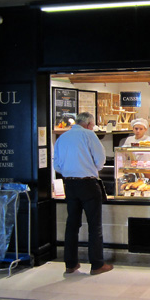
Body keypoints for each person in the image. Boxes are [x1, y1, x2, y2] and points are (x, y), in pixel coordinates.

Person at [53, 112, 113, 276]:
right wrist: (91, 167)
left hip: (70, 184)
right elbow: (100, 160)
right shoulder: (89, 135)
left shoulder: (62, 138)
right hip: (88, 183)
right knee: (94, 225)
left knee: (72, 224)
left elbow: (56, 165)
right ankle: (97, 264)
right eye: (92, 125)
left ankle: (70, 264)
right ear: (88, 124)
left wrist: (70, 170)